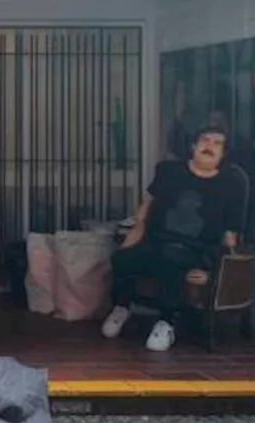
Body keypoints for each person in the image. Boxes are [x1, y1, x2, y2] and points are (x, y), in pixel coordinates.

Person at [103, 124, 245, 352]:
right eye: (205, 140)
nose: (209, 146)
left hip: (194, 251)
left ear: (224, 154)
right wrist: (128, 244)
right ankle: (122, 307)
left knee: (173, 260)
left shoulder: (230, 186)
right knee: (122, 259)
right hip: (156, 241)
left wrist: (214, 272)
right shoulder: (169, 171)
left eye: (217, 143)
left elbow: (230, 236)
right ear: (193, 146)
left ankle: (166, 322)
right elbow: (144, 212)